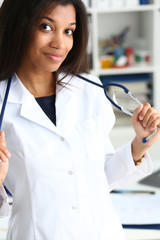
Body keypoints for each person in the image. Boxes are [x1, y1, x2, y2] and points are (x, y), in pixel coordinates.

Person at [0, 0, 160, 239]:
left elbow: (100, 177)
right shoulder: (2, 102)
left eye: (69, 31)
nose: (60, 43)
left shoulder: (89, 88)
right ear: (17, 26)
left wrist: (140, 145)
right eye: (46, 27)